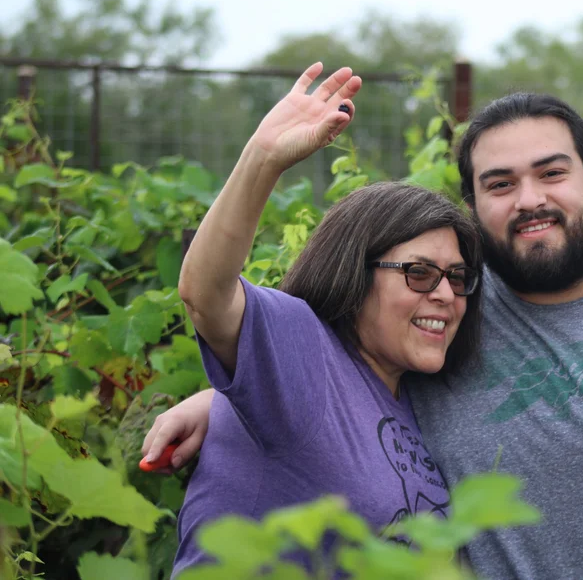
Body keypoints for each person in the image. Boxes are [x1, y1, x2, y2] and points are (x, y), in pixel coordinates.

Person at [147, 91, 583, 580]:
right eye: (499, 183)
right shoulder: (447, 312)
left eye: (552, 173)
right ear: (474, 205)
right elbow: (333, 363)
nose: (530, 199)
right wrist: (233, 400)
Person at [161, 63, 484, 578]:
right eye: (419, 274)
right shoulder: (305, 349)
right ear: (353, 275)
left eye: (457, 276)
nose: (445, 294)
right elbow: (205, 294)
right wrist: (263, 159)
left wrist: (215, 400)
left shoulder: (411, 396)